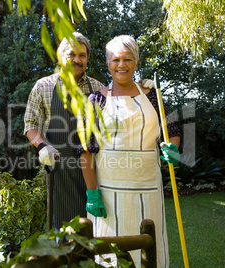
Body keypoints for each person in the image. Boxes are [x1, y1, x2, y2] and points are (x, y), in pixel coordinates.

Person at [79, 35, 181, 267]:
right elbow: (86, 150)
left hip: (149, 191)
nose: (121, 65)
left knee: (150, 248)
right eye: (115, 60)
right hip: (109, 194)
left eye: (128, 59)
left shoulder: (153, 96)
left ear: (136, 63)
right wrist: (92, 193)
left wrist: (171, 148)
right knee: (111, 255)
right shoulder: (96, 100)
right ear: (108, 64)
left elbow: (171, 130)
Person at [24, 32, 105, 229]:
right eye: (72, 55)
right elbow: (30, 125)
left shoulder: (98, 88)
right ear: (61, 56)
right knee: (62, 229)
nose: (77, 60)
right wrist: (43, 146)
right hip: (59, 169)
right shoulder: (43, 86)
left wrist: (143, 91)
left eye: (82, 56)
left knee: (96, 230)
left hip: (95, 167)